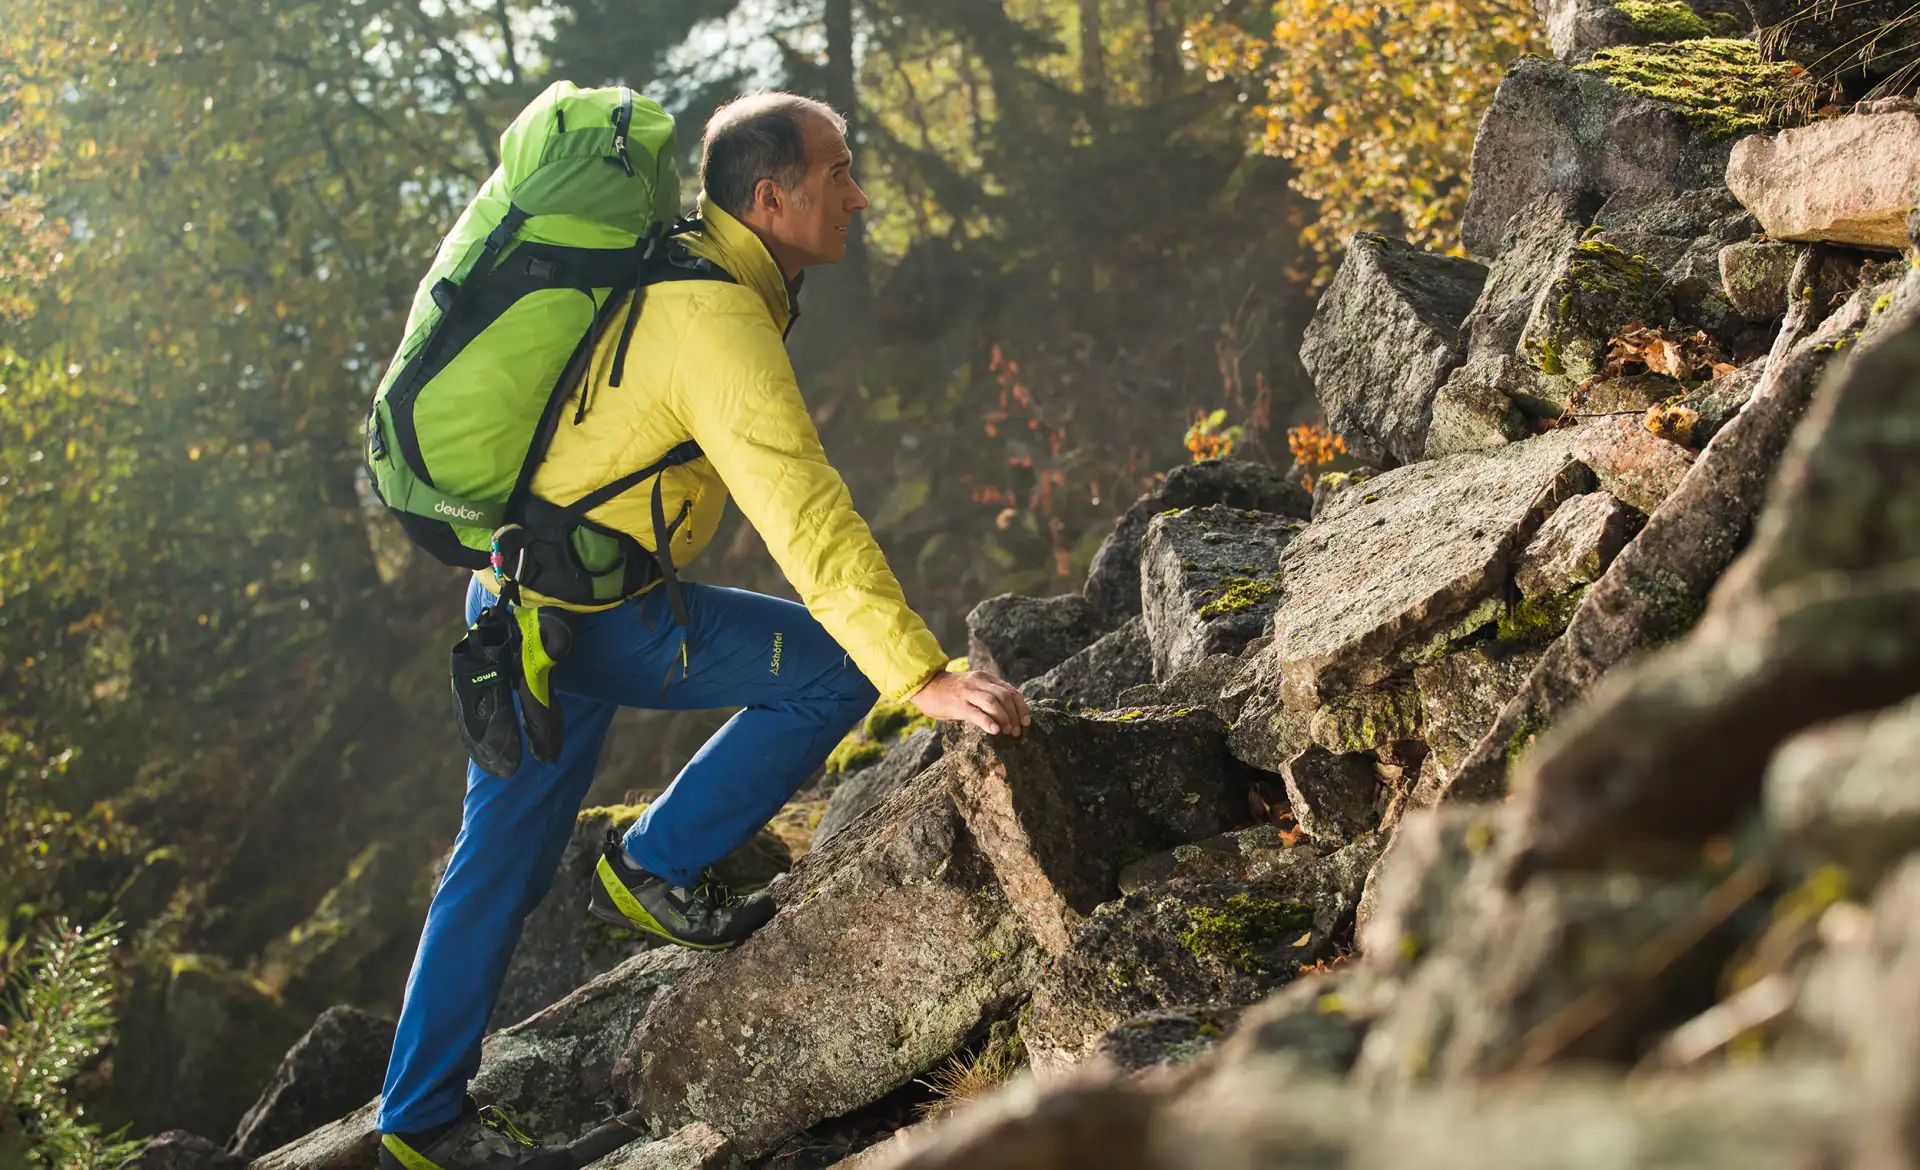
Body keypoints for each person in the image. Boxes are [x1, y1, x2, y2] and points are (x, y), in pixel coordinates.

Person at [375, 92, 1031, 1170]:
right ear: (771, 199)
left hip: (546, 601)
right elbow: (802, 506)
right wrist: (918, 674)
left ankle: (423, 1111)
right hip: (578, 618)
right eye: (839, 175)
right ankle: (648, 870)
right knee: (830, 674)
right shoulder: (715, 315)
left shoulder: (697, 266)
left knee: (505, 857)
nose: (859, 196)